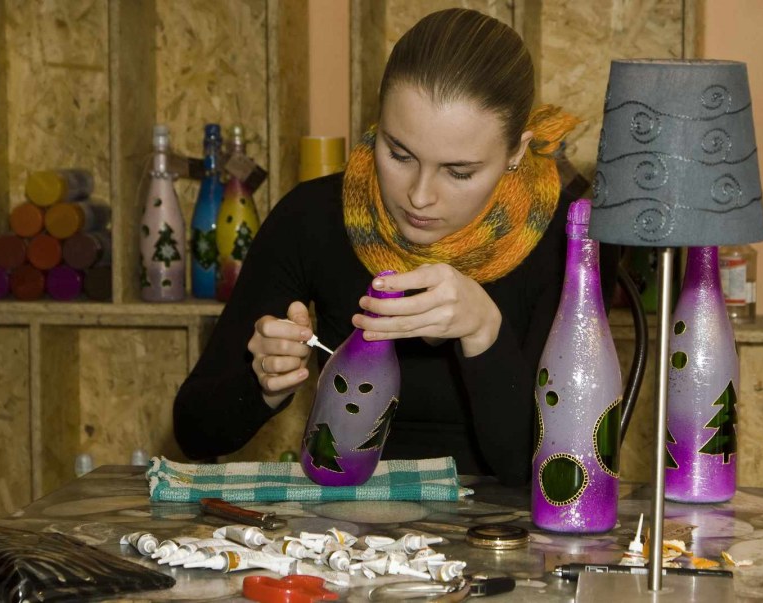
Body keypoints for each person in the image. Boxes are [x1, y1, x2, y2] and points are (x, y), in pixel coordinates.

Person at [173, 8, 601, 486]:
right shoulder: (314, 216)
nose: (419, 195)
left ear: (517, 151)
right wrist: (263, 383)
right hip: (342, 521)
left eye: (459, 172)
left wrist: (485, 332)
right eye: (399, 153)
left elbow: (555, 478)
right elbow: (194, 432)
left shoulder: (568, 240)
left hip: (499, 525)